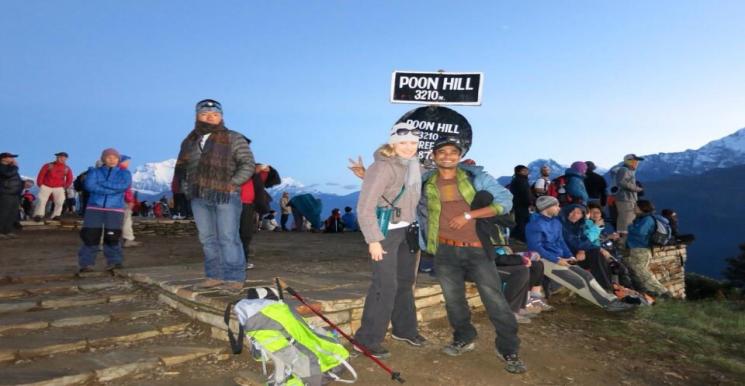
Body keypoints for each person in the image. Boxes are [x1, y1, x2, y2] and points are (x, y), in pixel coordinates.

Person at [418, 136, 526, 374]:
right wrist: (369, 177)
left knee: (495, 300)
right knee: (454, 301)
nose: (448, 155)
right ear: (434, 157)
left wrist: (470, 215)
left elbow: (505, 201)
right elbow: (397, 192)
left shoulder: (476, 177)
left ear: (459, 156)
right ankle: (464, 337)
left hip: (476, 248)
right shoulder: (425, 182)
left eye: (453, 152)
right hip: (444, 250)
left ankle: (508, 348)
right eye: (442, 152)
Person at [352, 122, 425, 359]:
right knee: (385, 285)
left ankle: (404, 330)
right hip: (385, 234)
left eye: (413, 142)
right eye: (403, 142)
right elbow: (365, 206)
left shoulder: (414, 165)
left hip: (408, 230)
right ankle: (366, 340)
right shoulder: (382, 166)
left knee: (405, 281)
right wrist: (373, 240)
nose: (408, 147)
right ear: (393, 142)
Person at [172, 99, 255, 292]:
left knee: (228, 237)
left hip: (226, 195)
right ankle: (214, 275)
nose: (210, 117)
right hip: (199, 195)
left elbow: (248, 164)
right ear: (197, 116)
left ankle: (234, 277)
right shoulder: (190, 141)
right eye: (205, 114)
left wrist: (231, 183)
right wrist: (186, 187)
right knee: (207, 238)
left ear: (221, 117)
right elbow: (182, 168)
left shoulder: (234, 138)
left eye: (215, 114)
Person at [525, 196, 632, 311]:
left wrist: (569, 255)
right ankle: (607, 304)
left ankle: (611, 299)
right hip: (545, 260)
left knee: (587, 276)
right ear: (547, 207)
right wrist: (557, 260)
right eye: (556, 205)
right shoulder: (534, 225)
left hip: (560, 258)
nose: (559, 208)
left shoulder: (556, 223)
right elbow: (536, 247)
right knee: (576, 281)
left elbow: (561, 242)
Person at [77, 148, 131, 272]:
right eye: (108, 157)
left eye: (115, 158)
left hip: (114, 209)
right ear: (103, 159)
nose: (112, 160)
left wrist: (102, 183)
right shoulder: (94, 171)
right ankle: (86, 264)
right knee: (90, 236)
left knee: (112, 236)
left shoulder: (124, 173)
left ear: (118, 160)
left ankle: (115, 262)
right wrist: (111, 188)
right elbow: (89, 186)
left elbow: (123, 186)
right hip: (94, 208)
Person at [560, 204, 615, 291]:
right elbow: (574, 242)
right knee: (596, 253)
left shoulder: (578, 225)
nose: (574, 215)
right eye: (572, 212)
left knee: (598, 253)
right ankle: (606, 288)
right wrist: (582, 249)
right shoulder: (563, 224)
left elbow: (585, 241)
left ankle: (611, 287)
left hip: (577, 253)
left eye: (578, 213)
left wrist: (583, 249)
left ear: (582, 215)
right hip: (566, 255)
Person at [626, 200, 672, 298]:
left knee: (642, 271)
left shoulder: (647, 219)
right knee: (635, 269)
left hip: (641, 249)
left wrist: (630, 227)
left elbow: (640, 232)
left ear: (641, 208)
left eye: (635, 206)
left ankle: (663, 292)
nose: (634, 208)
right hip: (640, 248)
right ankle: (647, 290)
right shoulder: (644, 218)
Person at [33, 152, 74, 221]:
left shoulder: (66, 168)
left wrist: (65, 186)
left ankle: (56, 215)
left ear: (66, 159)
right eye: (58, 157)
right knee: (42, 200)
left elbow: (70, 178)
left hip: (59, 187)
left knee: (60, 201)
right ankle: (38, 215)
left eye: (62, 157)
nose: (60, 158)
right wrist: (40, 184)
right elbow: (41, 174)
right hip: (46, 185)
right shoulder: (48, 165)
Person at [615, 154, 644, 239]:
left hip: (628, 198)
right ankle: (625, 240)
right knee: (626, 220)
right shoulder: (624, 170)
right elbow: (621, 182)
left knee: (627, 219)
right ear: (628, 161)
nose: (637, 163)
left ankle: (625, 239)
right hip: (626, 199)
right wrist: (636, 188)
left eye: (637, 161)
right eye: (635, 161)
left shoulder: (629, 170)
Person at [118, 155, 140, 248]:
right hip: (123, 200)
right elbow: (126, 187)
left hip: (113, 199)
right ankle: (128, 239)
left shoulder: (112, 171)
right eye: (127, 161)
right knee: (126, 219)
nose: (128, 163)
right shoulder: (124, 172)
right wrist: (130, 200)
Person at [0, 152, 23, 239]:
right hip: (5, 193)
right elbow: (7, 174)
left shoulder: (10, 167)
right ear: (4, 158)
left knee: (12, 213)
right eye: (11, 157)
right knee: (3, 213)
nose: (13, 159)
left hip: (14, 193)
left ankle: (7, 231)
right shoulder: (2, 167)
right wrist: (15, 166)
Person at [508, 165, 532, 242]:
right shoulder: (522, 180)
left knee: (519, 221)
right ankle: (521, 239)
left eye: (527, 170)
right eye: (524, 170)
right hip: (522, 204)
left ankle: (514, 237)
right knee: (523, 222)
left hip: (516, 204)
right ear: (519, 172)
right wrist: (530, 202)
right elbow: (526, 193)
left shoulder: (515, 180)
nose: (527, 172)